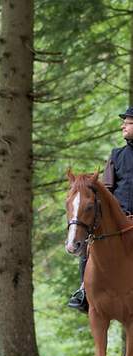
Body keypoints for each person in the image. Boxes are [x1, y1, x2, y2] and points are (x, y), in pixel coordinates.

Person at [68, 106, 133, 312]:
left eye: (128, 122)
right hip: (118, 219)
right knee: (90, 244)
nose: (123, 125)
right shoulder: (116, 155)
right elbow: (106, 190)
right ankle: (83, 291)